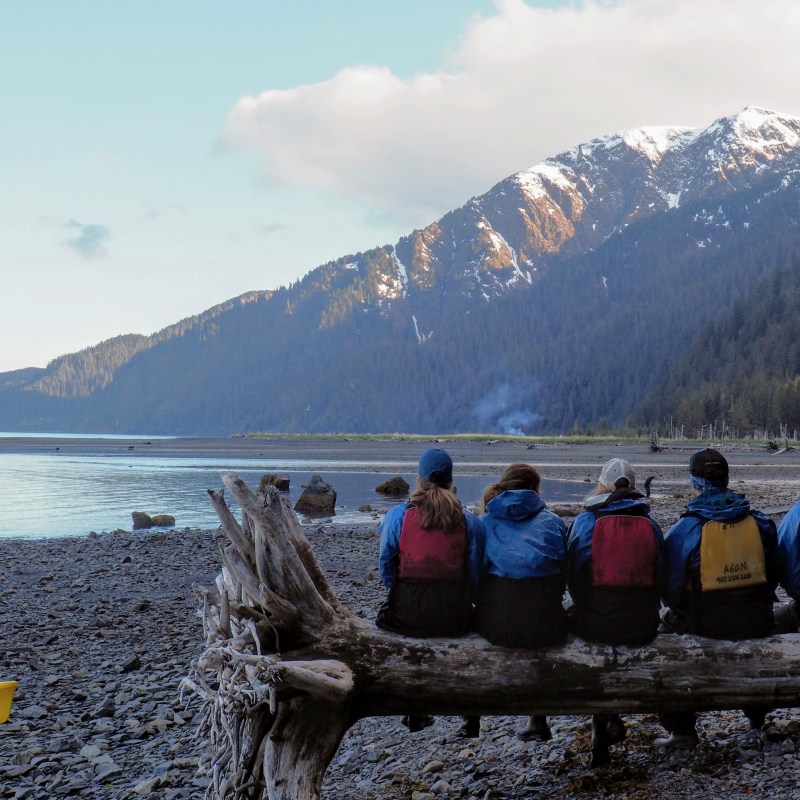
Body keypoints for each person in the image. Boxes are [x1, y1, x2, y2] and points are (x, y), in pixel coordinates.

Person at [658, 448, 780, 749]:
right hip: (755, 620)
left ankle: (681, 729)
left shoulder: (685, 528)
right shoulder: (761, 523)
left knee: (662, 641)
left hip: (704, 624)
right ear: (727, 479)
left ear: (694, 483)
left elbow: (670, 590)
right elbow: (773, 575)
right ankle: (755, 720)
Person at [377, 447, 485, 733]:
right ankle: (469, 713)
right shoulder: (469, 521)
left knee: (400, 632)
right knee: (473, 630)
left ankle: (415, 708)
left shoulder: (398, 516)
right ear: (451, 481)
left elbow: (386, 563)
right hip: (453, 615)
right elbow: (474, 573)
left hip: (408, 613)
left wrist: (400, 593)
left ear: (419, 479)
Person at [567, 457, 664, 767]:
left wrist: (588, 603)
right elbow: (661, 574)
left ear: (602, 485)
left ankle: (601, 723)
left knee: (578, 625)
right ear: (634, 488)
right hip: (643, 625)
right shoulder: (649, 524)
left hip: (595, 621)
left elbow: (575, 575)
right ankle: (605, 721)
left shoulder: (586, 521)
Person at [475, 463, 568, 742]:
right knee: (539, 621)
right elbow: (563, 574)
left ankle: (473, 714)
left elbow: (476, 574)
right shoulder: (552, 522)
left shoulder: (484, 523)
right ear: (535, 490)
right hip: (546, 624)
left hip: (498, 624)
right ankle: (537, 718)